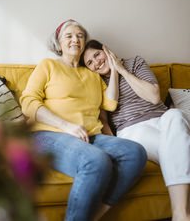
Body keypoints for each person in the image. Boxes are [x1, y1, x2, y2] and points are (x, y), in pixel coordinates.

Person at [20, 20, 147, 221]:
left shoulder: (92, 75)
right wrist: (66, 125)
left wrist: (115, 68)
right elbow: (28, 102)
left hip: (90, 136)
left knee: (135, 152)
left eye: (80, 35)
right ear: (58, 43)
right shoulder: (48, 65)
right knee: (96, 160)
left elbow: (110, 104)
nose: (75, 39)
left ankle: (93, 216)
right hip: (49, 134)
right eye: (69, 35)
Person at [81, 39, 190, 221]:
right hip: (133, 129)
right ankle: (181, 214)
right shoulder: (94, 82)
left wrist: (121, 69)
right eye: (90, 63)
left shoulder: (135, 63)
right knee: (176, 147)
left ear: (106, 50)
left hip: (163, 119)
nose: (96, 62)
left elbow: (154, 97)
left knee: (175, 115)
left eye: (97, 55)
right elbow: (104, 121)